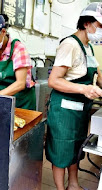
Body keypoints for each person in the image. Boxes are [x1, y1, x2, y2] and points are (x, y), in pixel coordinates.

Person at [45, 2, 102, 190]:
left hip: (80, 110)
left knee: (76, 148)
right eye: (100, 25)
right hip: (64, 111)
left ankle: (74, 184)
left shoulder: (88, 47)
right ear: (87, 23)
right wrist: (84, 90)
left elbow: (97, 76)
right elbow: (54, 80)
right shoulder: (69, 45)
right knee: (61, 152)